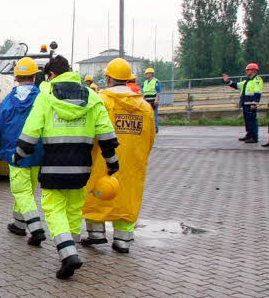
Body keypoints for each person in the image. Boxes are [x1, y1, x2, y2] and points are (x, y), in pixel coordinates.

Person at [14, 55, 118, 280]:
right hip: (81, 168)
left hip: (53, 166)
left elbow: (31, 130)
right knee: (73, 208)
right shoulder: (91, 96)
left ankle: (68, 254)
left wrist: (19, 154)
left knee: (53, 208)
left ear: (51, 75)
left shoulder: (46, 96)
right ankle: (71, 247)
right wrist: (112, 163)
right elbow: (107, 134)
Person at [81, 58, 155, 254]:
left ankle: (95, 234)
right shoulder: (145, 107)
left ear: (108, 78)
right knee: (128, 197)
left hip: (101, 159)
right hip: (132, 163)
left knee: (96, 193)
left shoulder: (100, 101)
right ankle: (123, 240)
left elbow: (89, 131)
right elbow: (150, 138)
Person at [0, 57, 46, 246]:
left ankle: (36, 229)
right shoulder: (41, 99)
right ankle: (19, 224)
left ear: (16, 77)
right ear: (35, 76)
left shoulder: (10, 100)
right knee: (27, 190)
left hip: (15, 152)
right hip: (37, 151)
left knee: (21, 191)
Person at [224, 63, 263, 143]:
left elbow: (257, 92)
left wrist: (254, 103)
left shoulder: (257, 80)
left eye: (248, 70)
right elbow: (237, 85)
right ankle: (248, 135)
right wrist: (228, 81)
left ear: (254, 71)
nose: (246, 71)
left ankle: (254, 137)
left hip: (251, 104)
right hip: (245, 104)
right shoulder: (246, 81)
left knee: (252, 121)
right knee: (247, 121)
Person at [142, 67, 162, 132]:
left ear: (151, 74)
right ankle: (148, 128)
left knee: (154, 115)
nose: (146, 75)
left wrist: (156, 99)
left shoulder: (156, 81)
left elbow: (158, 91)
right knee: (147, 115)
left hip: (153, 101)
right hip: (146, 101)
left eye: (147, 73)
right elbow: (143, 92)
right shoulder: (145, 82)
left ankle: (155, 128)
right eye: (146, 73)